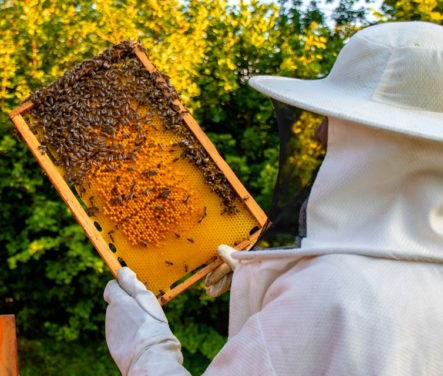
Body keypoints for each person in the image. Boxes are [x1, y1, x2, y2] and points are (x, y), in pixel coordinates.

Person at [103, 21, 443, 375]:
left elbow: (330, 304)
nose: (318, 132)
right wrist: (256, 278)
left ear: (375, 142)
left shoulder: (328, 293)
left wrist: (145, 348)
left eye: (335, 118)